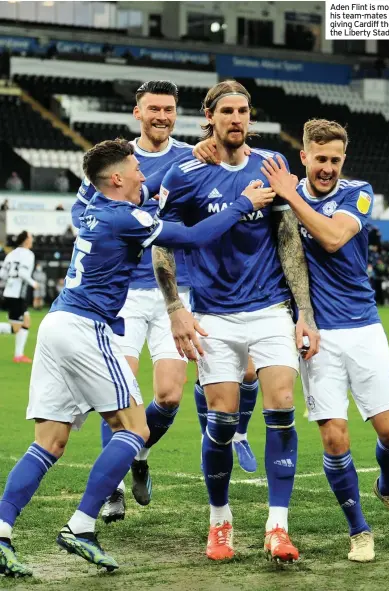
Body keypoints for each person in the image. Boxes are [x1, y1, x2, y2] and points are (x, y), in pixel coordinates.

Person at [0, 138, 275, 577]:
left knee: (49, 442)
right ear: (117, 178)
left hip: (55, 324)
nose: (143, 175)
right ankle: (82, 525)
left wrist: (186, 163)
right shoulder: (125, 219)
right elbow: (194, 236)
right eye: (136, 169)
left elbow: (151, 192)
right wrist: (243, 202)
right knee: (134, 428)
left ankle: (1, 534)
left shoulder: (92, 202)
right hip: (86, 328)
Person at [72, 81, 260, 524]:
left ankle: (136, 452)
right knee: (119, 389)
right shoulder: (117, 161)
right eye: (154, 108)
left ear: (178, 114)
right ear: (138, 112)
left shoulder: (194, 157)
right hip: (122, 295)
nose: (162, 116)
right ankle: (113, 486)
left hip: (176, 290)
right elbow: (88, 216)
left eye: (169, 109)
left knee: (169, 397)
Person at [154, 80, 319, 563]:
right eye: (226, 111)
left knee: (283, 408)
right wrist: (174, 308)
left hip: (269, 310)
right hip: (213, 315)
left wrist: (303, 311)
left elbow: (289, 240)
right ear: (209, 116)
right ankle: (220, 522)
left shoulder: (273, 166)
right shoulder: (186, 172)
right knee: (222, 423)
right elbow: (162, 242)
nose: (236, 119)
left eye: (243, 111)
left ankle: (277, 527)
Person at [261, 118, 389, 563]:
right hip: (315, 334)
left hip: (364, 327)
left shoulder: (358, 192)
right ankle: (359, 531)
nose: (328, 167)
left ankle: (387, 488)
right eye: (320, 158)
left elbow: (333, 238)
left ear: (343, 160)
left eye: (335, 159)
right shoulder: (284, 201)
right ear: (305, 156)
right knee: (335, 440)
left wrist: (291, 194)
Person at [0, 231, 38, 363]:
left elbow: (2, 274)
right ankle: (18, 355)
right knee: (16, 328)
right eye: (31, 237)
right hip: (17, 294)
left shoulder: (11, 254)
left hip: (8, 293)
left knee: (26, 322)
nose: (32, 240)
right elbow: (22, 272)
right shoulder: (28, 254)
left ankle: (19, 355)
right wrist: (34, 283)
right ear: (26, 240)